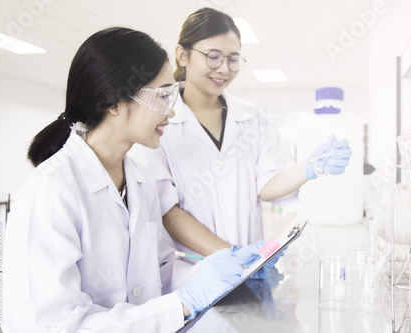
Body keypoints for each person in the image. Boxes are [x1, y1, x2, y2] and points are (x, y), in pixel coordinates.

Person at [3, 27, 265, 332]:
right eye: (163, 94)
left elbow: (159, 270)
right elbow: (56, 324)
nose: (172, 109)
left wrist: (222, 269)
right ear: (114, 102)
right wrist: (183, 302)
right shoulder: (51, 191)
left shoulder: (140, 180)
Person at [128, 8, 352, 259]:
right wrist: (232, 257)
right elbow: (168, 211)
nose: (224, 68)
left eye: (233, 59)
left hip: (246, 267)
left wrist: (309, 167)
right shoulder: (159, 120)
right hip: (190, 273)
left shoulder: (252, 118)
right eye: (213, 57)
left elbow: (266, 186)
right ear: (182, 55)